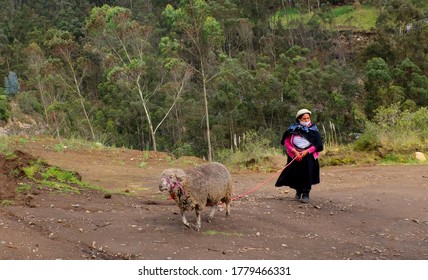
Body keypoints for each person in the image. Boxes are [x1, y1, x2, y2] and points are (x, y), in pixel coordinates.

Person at [275, 109, 323, 203]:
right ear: (299, 119)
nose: (306, 120)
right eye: (304, 119)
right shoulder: (292, 129)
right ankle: (298, 191)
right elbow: (287, 141)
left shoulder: (313, 129)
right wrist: (294, 151)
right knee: (295, 173)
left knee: (307, 174)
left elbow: (317, 144)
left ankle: (306, 194)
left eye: (308, 118)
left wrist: (307, 151)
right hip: (295, 154)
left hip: (308, 155)